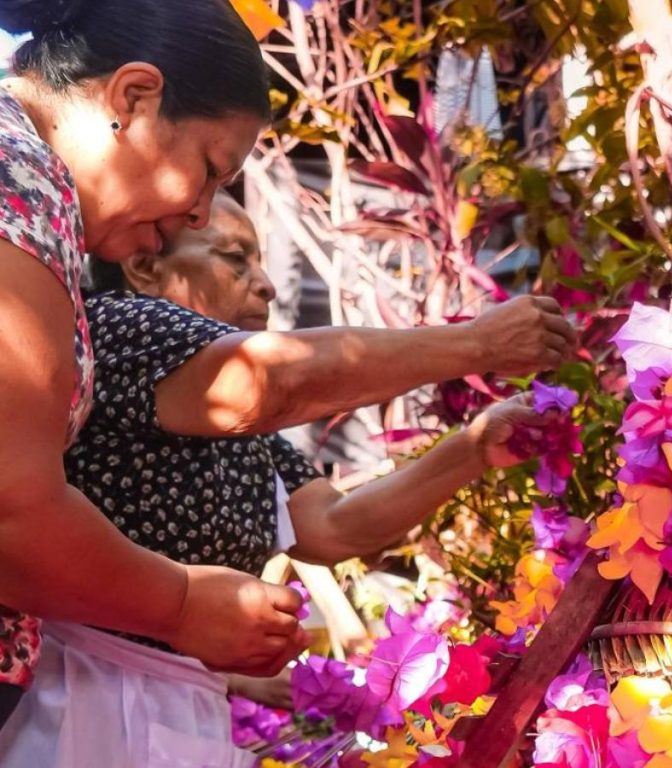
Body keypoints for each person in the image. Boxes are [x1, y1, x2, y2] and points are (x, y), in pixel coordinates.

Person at [0, 191, 572, 765]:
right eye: (235, 259)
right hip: (74, 703)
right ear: (146, 266)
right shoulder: (115, 327)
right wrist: (475, 342)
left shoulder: (242, 432)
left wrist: (474, 448)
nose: (267, 285)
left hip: (173, 707)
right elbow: (276, 383)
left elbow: (333, 526)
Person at [0, 0, 315, 730]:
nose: (200, 214)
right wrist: (180, 604)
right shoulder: (20, 186)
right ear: (134, 98)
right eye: (208, 171)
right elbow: (12, 510)